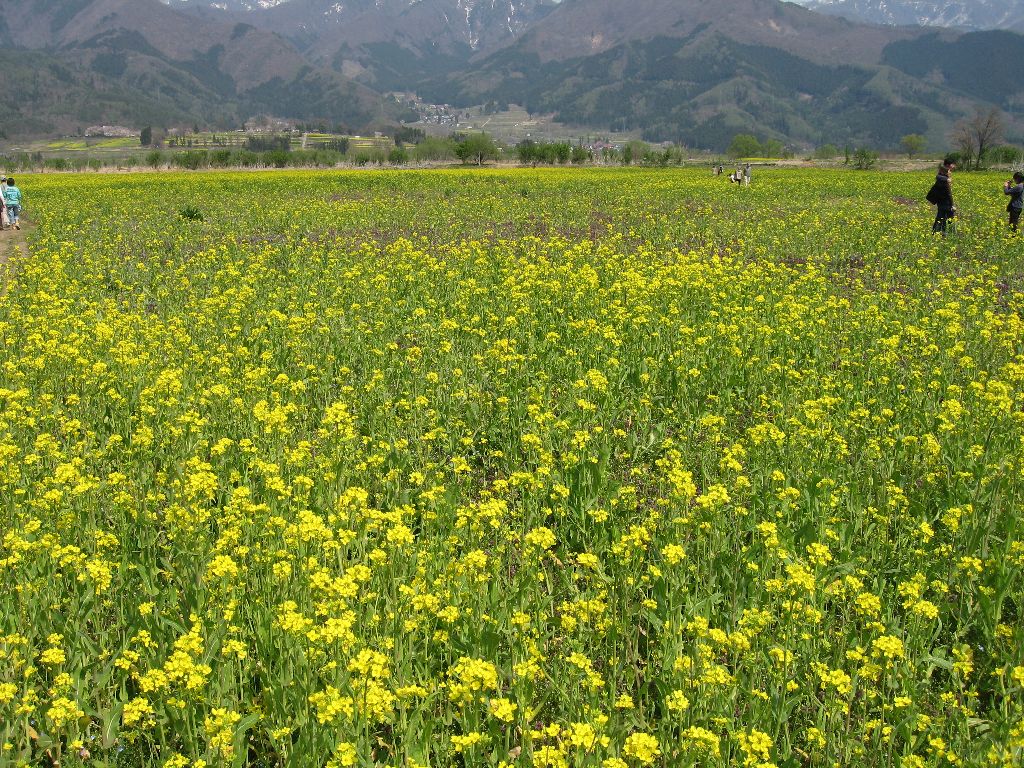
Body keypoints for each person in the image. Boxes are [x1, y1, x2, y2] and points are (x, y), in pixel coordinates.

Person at [928, 159, 956, 236]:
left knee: (942, 217)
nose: (950, 172)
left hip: (943, 201)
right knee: (946, 217)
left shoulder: (943, 178)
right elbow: (948, 194)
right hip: (944, 202)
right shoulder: (943, 178)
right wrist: (952, 205)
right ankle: (949, 233)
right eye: (949, 171)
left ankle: (939, 232)